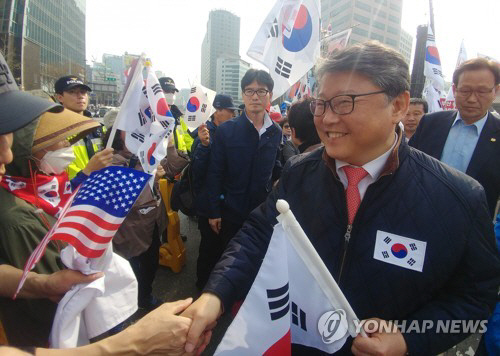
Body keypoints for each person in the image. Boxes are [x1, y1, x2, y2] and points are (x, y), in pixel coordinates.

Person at [181, 42, 500, 355]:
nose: (327, 119)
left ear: (398, 106)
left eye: (345, 102)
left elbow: (474, 298)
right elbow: (257, 235)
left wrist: (407, 339)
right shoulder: (299, 172)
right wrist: (216, 295)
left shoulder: (459, 197)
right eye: (321, 103)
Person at [409, 58, 500, 218]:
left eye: (482, 91)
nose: (472, 99)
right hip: (420, 215)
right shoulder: (430, 123)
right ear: (454, 89)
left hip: (472, 227)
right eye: (465, 91)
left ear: (496, 91)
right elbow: (408, 167)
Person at [204, 69, 282, 249]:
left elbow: (275, 165)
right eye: (249, 91)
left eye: (261, 91)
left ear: (269, 95)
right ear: (243, 95)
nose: (255, 96)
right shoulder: (226, 131)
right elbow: (215, 172)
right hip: (231, 212)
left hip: (262, 211)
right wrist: (214, 211)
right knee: (230, 259)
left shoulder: (275, 132)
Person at [190, 94, 237, 289]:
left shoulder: (227, 132)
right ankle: (202, 287)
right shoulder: (204, 133)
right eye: (230, 111)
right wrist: (204, 145)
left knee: (220, 248)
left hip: (222, 201)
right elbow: (198, 171)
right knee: (209, 249)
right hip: (208, 203)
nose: (234, 115)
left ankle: (215, 288)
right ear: (217, 111)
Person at [54, 75, 105, 178]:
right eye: (72, 92)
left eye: (83, 92)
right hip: (71, 189)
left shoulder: (99, 128)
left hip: (100, 187)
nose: (80, 96)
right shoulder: (54, 130)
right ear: (60, 97)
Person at [159, 77, 194, 154]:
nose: (171, 95)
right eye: (167, 91)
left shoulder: (179, 118)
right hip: (160, 163)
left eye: (173, 92)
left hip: (180, 162)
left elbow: (189, 142)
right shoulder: (150, 117)